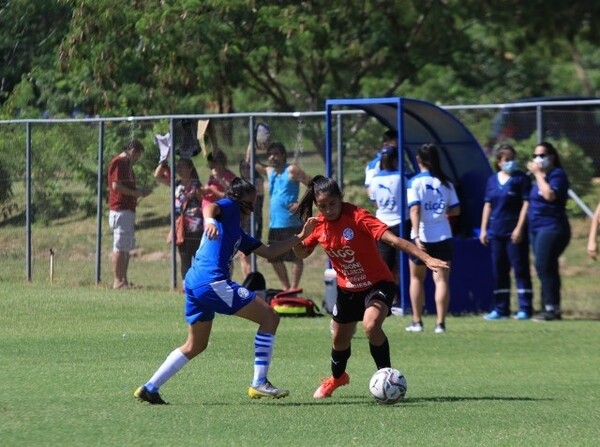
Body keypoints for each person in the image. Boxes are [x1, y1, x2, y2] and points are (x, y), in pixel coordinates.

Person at [134, 178, 317, 404]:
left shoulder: (237, 233)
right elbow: (211, 206)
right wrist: (209, 220)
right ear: (238, 201)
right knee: (270, 317)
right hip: (211, 281)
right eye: (250, 204)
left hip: (194, 282)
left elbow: (269, 253)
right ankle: (259, 382)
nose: (252, 209)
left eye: (254, 204)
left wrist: (300, 236)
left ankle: (150, 387)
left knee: (196, 344)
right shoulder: (229, 208)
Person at [292, 175, 449, 399]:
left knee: (371, 325)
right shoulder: (318, 225)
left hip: (378, 284)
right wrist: (301, 237)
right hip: (347, 291)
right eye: (323, 206)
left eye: (332, 204)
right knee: (339, 340)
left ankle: (387, 379)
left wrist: (426, 258)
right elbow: (302, 253)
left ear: (341, 198)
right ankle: (337, 378)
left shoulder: (358, 217)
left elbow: (394, 241)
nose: (328, 210)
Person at [406, 143, 460, 334]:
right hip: (443, 235)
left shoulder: (414, 182)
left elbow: (414, 208)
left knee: (416, 278)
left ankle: (417, 321)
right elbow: (456, 208)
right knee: (442, 280)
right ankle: (440, 324)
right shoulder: (446, 182)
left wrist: (417, 234)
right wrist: (442, 212)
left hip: (422, 235)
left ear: (418, 160)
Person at [480, 144, 533, 320]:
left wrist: (519, 227)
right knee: (499, 270)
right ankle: (501, 308)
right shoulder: (492, 181)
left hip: (514, 233)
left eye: (512, 159)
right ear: (499, 162)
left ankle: (525, 307)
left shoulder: (521, 179)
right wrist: (483, 229)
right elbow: (488, 205)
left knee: (520, 269)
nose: (511, 162)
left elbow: (526, 204)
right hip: (496, 232)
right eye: (507, 160)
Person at [249, 141, 311, 290]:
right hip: (275, 223)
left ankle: (294, 289)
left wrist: (301, 204)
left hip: (292, 223)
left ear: (283, 155)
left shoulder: (292, 170)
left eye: (276, 154)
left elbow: (313, 184)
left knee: (296, 257)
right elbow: (251, 161)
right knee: (273, 257)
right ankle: (286, 288)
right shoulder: (270, 172)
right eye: (270, 154)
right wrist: (254, 140)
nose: (272, 157)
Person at [527, 142, 571, 321]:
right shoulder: (538, 178)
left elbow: (549, 195)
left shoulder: (557, 175)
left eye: (542, 155)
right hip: (536, 228)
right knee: (546, 267)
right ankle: (550, 307)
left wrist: (538, 174)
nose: (538, 159)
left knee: (543, 265)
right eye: (536, 155)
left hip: (552, 227)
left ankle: (550, 308)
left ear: (551, 157)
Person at [367, 145, 410, 313]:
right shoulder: (402, 177)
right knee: (400, 265)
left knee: (384, 265)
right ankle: (400, 299)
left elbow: (374, 200)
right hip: (400, 223)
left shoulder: (375, 179)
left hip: (382, 224)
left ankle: (384, 299)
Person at [107, 139, 150, 289]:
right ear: (133, 151)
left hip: (127, 210)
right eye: (138, 155)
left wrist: (139, 192)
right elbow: (116, 186)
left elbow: (127, 187)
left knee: (125, 247)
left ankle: (124, 280)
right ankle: (117, 281)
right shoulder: (118, 163)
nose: (137, 159)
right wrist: (136, 193)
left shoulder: (128, 166)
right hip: (120, 210)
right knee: (119, 247)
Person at [154, 157, 204, 281]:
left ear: (190, 169)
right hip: (181, 227)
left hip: (196, 227)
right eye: (179, 167)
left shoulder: (196, 185)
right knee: (184, 258)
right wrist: (163, 162)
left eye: (183, 167)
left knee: (198, 258)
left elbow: (203, 201)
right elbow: (157, 176)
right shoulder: (175, 184)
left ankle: (200, 284)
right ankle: (186, 285)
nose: (180, 170)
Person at [237, 159, 265, 278]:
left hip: (253, 222)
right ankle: (248, 281)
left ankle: (251, 281)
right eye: (243, 167)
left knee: (248, 253)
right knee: (242, 255)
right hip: (242, 223)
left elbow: (254, 196)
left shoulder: (257, 181)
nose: (245, 170)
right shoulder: (240, 183)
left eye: (248, 167)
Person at [364, 129, 398, 196]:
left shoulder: (401, 162)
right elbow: (368, 187)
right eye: (395, 144)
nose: (397, 147)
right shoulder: (375, 164)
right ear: (385, 144)